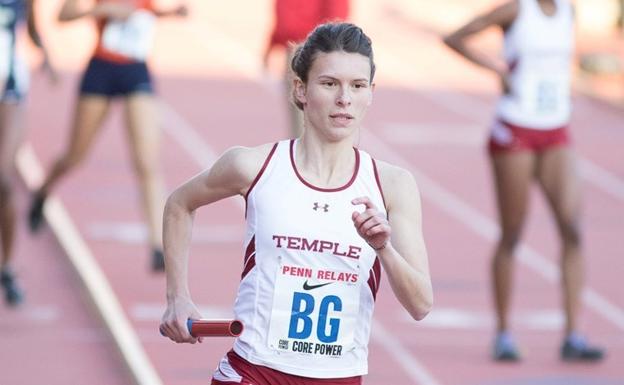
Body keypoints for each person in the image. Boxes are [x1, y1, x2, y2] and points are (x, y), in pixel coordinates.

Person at [160, 22, 433, 384]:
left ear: (371, 93)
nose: (344, 99)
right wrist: (178, 297)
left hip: (340, 376)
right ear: (301, 90)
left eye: (357, 86)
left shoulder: (393, 185)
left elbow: (420, 305)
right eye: (329, 83)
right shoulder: (254, 166)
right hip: (254, 371)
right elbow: (179, 204)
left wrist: (383, 248)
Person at [444, 0, 604, 362]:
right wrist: (495, 70)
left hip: (556, 129)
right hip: (515, 129)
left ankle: (573, 335)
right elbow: (453, 38)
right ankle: (502, 333)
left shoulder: (568, 10)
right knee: (513, 233)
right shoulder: (515, 10)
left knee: (573, 228)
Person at [27, 0, 186, 272]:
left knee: (147, 162)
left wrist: (171, 13)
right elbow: (62, 16)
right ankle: (43, 191)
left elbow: (144, 13)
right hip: (101, 70)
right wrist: (101, 11)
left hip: (136, 69)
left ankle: (157, 246)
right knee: (75, 156)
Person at [1, 0, 55, 306]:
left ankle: (6, 266)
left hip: (10, 88)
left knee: (4, 179)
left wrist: (45, 55)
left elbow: (33, 29)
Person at [263, 0, 349, 138]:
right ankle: (301, 157)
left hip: (317, 48)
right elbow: (284, 14)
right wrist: (272, 43)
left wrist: (330, 48)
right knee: (298, 116)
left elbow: (337, 13)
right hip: (294, 48)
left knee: (321, 114)